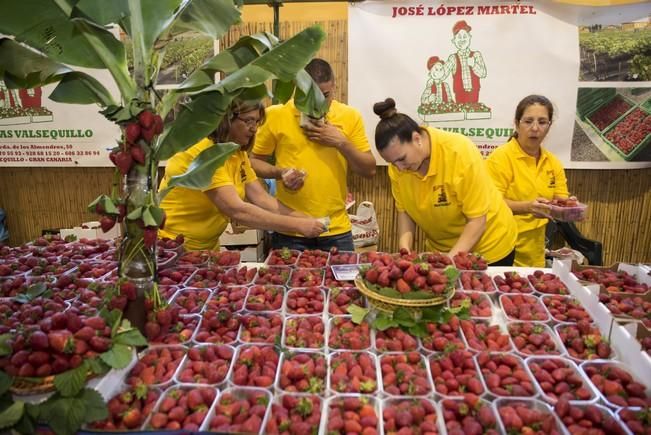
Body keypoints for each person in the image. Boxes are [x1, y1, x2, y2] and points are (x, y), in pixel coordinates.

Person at [159, 100, 325, 251]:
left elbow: (262, 199)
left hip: (207, 249)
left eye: (257, 122)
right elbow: (236, 210)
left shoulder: (236, 153)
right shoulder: (203, 153)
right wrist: (298, 225)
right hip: (173, 247)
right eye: (248, 121)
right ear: (227, 119)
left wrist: (308, 219)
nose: (254, 128)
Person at [250, 58, 376, 251]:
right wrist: (280, 173)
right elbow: (253, 163)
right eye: (309, 96)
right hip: (290, 228)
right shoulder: (276, 114)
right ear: (297, 89)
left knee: (340, 282)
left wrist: (340, 142)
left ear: (334, 86)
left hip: (336, 230)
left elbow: (369, 170)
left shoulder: (350, 116)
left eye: (325, 95)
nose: (317, 103)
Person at [372, 98, 517, 266]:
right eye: (392, 163)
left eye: (401, 159)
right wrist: (405, 251)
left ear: (417, 138)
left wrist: (448, 262)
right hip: (442, 252)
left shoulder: (459, 152)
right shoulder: (398, 168)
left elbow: (477, 221)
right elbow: (405, 212)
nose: (399, 168)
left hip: (489, 249)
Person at [486, 95, 571, 267]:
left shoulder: (553, 162)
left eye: (542, 122)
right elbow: (490, 204)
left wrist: (569, 206)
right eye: (528, 121)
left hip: (535, 253)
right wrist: (527, 207)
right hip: (501, 250)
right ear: (517, 124)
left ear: (549, 126)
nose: (535, 128)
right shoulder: (500, 158)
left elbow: (559, 202)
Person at [444, 20, 486, 104]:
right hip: (459, 94)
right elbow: (444, 72)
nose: (462, 39)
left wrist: (474, 65)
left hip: (474, 93)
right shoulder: (453, 58)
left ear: (469, 37)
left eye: (464, 36)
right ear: (454, 40)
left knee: (473, 113)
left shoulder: (476, 55)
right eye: (459, 37)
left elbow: (483, 73)